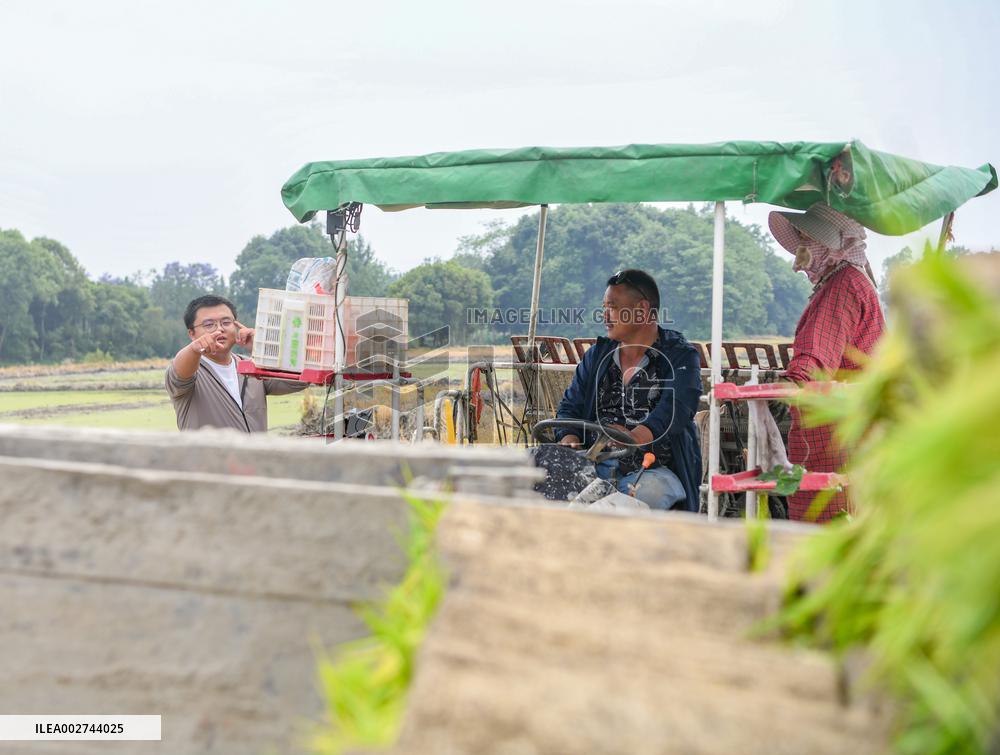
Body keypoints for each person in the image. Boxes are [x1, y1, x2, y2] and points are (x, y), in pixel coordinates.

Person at [768, 202, 885, 521]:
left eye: (808, 242)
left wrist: (782, 388)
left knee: (823, 527)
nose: (800, 256)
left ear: (830, 246)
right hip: (851, 433)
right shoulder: (853, 282)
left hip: (835, 438)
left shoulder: (841, 288)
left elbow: (813, 363)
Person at [551, 269, 703, 511]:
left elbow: (676, 408)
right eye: (604, 306)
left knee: (643, 495)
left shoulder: (680, 355)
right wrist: (570, 440)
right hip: (595, 463)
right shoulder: (597, 356)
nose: (604, 315)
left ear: (642, 310)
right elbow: (570, 408)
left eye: (611, 306)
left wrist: (635, 437)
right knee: (536, 469)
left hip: (654, 470)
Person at [165, 294, 306, 432]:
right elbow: (179, 374)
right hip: (208, 456)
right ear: (192, 333)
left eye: (226, 323)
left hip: (255, 455)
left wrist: (262, 350)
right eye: (209, 325)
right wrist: (194, 350)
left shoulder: (251, 367)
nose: (219, 329)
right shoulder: (191, 372)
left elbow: (298, 380)